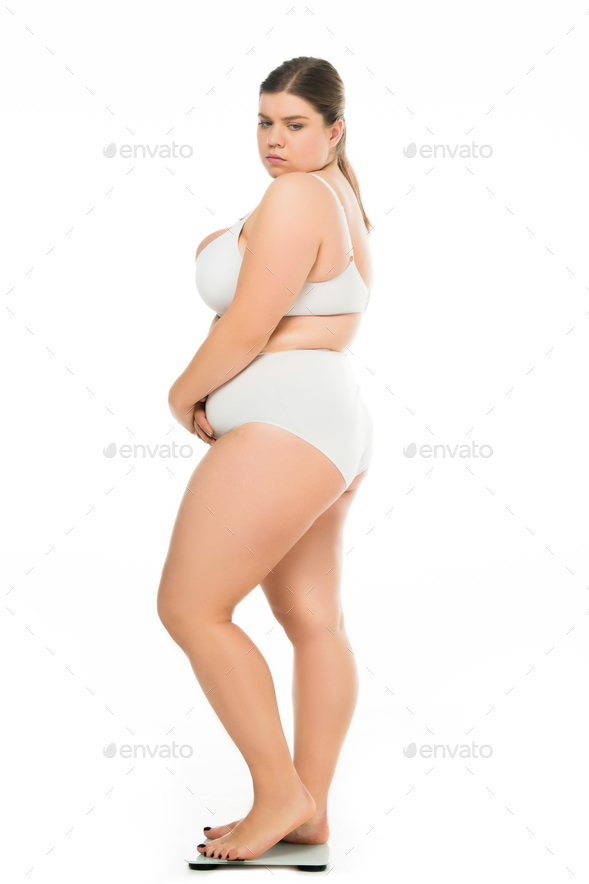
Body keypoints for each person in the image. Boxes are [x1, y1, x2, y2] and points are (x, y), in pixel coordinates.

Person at [157, 56, 374, 863]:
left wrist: (182, 398)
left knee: (190, 607)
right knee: (312, 621)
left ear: (334, 130)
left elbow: (247, 327)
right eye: (263, 122)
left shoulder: (297, 196)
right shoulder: (338, 198)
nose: (275, 140)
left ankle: (279, 791)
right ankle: (309, 812)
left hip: (288, 427)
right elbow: (320, 319)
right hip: (328, 424)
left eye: (295, 124)